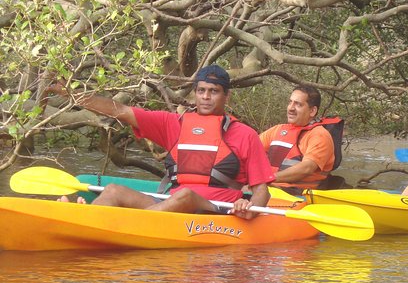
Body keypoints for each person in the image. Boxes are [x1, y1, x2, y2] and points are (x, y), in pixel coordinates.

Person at [50, 65, 274, 219]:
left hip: (213, 213)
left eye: (214, 92)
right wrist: (70, 93)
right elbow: (122, 111)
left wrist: (250, 208)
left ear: (226, 96)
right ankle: (89, 218)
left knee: (185, 196)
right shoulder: (173, 123)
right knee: (113, 190)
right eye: (201, 91)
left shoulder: (244, 134)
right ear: (195, 93)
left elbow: (262, 191)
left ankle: (122, 221)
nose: (206, 97)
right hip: (168, 207)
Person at [259, 85, 336, 195]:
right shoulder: (277, 130)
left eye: (298, 104)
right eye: (290, 102)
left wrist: (267, 179)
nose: (290, 108)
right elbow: (248, 150)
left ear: (312, 111)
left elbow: (306, 168)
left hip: (298, 196)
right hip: (268, 189)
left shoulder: (319, 135)